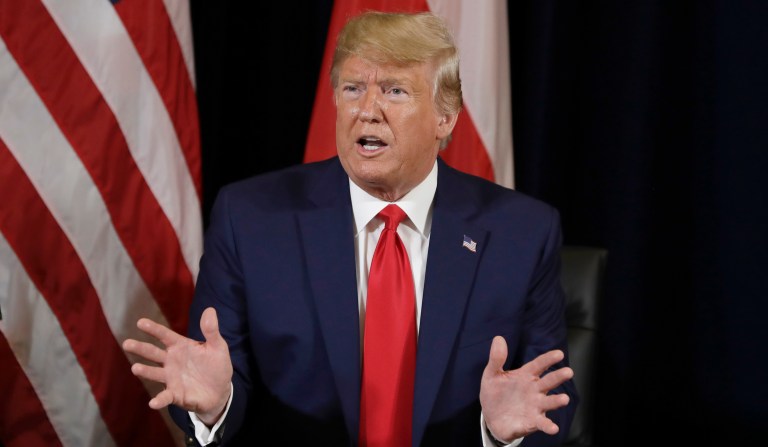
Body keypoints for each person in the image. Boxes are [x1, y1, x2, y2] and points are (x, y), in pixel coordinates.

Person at [123, 10, 577, 447]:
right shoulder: (251, 219)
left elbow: (547, 397)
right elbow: (219, 378)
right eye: (353, 88)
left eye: (395, 91)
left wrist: (504, 435)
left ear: (446, 116)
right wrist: (216, 404)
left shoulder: (521, 233)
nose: (367, 110)